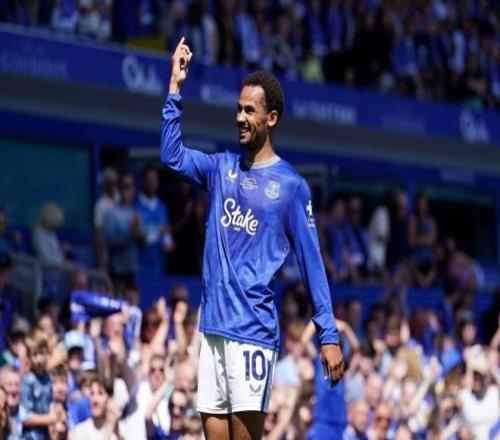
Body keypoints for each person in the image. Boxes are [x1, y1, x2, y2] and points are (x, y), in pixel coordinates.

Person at [161, 37, 343, 440]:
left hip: (252, 335)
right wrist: (175, 87)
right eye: (238, 109)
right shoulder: (219, 168)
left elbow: (313, 265)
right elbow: (172, 155)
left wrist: (328, 335)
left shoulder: (292, 187)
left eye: (249, 110)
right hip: (212, 330)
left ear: (271, 118)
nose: (240, 117)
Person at [134, 164, 175, 276]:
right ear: (144, 182)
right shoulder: (136, 206)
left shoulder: (162, 207)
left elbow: (166, 237)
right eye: (150, 180)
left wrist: (168, 242)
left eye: (155, 180)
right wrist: (159, 233)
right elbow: (142, 240)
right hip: (140, 268)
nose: (153, 183)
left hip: (159, 268)